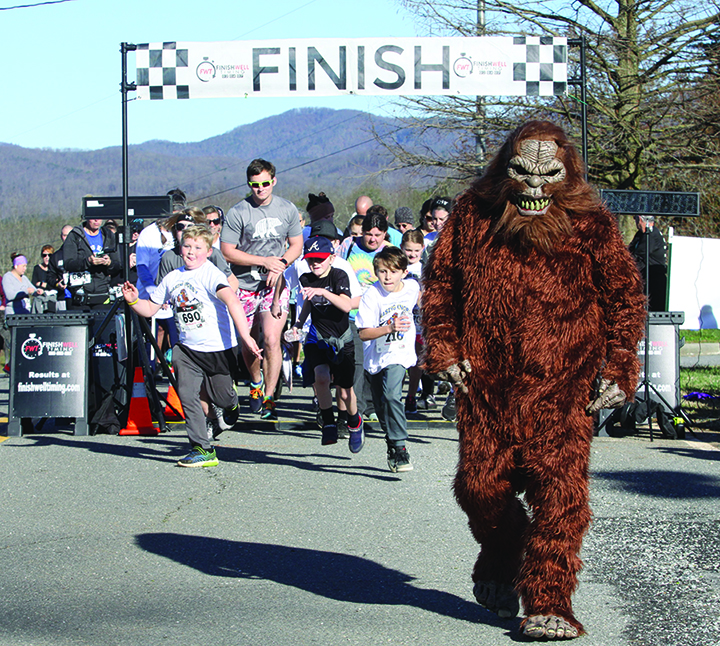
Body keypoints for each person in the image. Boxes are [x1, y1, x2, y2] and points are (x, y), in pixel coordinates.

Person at [121, 224, 262, 468]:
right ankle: (202, 449)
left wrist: (246, 337)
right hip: (186, 349)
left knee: (223, 398)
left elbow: (232, 301)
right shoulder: (173, 278)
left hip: (218, 349)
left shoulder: (211, 274)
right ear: (180, 248)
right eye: (187, 246)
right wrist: (133, 299)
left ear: (208, 251)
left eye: (198, 247)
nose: (191, 251)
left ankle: (231, 405)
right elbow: (150, 309)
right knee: (187, 394)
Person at [220, 158, 303, 420]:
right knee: (250, 341)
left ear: (274, 181)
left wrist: (280, 264)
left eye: (265, 183)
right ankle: (255, 382)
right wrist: (262, 261)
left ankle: (269, 397)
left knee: (270, 338)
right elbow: (227, 252)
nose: (261, 189)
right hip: (244, 284)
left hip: (275, 285)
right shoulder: (238, 212)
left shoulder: (287, 209)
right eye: (255, 185)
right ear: (249, 185)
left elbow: (296, 245)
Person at [290, 236, 363, 449]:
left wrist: (323, 292)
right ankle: (328, 422)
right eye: (311, 260)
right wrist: (298, 323)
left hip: (341, 337)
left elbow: (346, 306)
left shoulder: (339, 275)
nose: (315, 264)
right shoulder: (305, 278)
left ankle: (354, 421)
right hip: (317, 335)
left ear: (331, 258)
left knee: (344, 390)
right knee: (320, 377)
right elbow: (308, 304)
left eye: (320, 259)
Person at [356, 246, 420, 473]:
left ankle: (400, 447)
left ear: (403, 272)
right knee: (381, 405)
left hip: (399, 353)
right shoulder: (372, 295)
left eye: (393, 271)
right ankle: (392, 442)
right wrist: (389, 328)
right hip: (376, 356)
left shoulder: (412, 287)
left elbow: (421, 299)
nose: (387, 277)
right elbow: (363, 333)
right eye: (382, 271)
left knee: (393, 395)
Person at [61, 216, 121, 310]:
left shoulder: (108, 235)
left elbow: (118, 265)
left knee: (102, 322)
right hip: (80, 293)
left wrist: (109, 263)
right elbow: (68, 263)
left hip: (102, 291)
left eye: (99, 218)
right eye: (93, 218)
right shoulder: (75, 235)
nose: (97, 220)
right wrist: (88, 262)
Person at [628, 215, 667, 311]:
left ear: (640, 219)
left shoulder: (652, 235)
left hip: (654, 282)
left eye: (636, 218)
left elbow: (637, 256)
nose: (635, 221)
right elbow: (629, 252)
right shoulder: (640, 234)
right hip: (643, 280)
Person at [47, 224, 73, 311]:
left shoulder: (82, 254)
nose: (67, 238)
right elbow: (50, 277)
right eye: (65, 235)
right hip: (62, 298)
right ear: (61, 236)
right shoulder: (55, 256)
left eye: (69, 235)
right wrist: (58, 284)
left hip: (81, 298)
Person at [30, 245, 57, 313]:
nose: (47, 257)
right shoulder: (37, 268)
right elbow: (34, 283)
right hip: (39, 298)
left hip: (52, 299)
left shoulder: (55, 269)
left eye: (49, 255)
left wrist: (42, 284)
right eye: (44, 255)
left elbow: (55, 285)